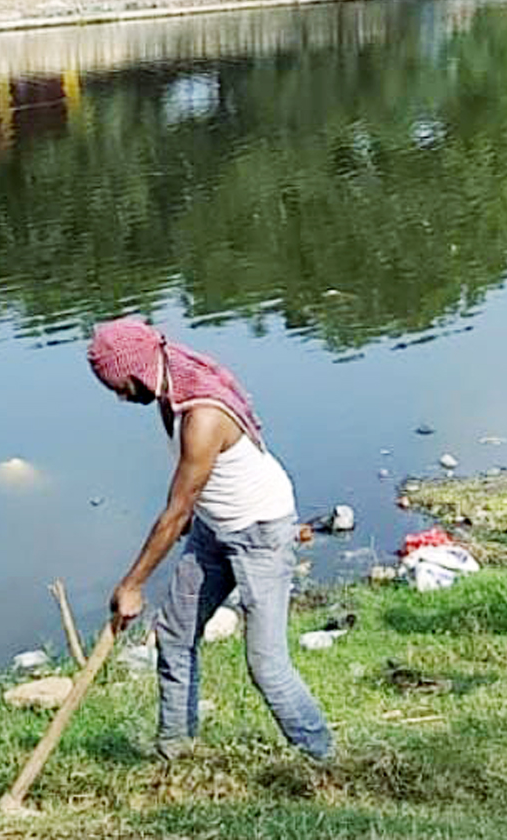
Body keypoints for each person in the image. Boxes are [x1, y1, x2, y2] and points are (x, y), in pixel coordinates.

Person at [88, 317, 333, 761]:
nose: (121, 397)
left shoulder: (202, 415)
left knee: (267, 667)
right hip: (214, 525)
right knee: (175, 636)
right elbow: (188, 501)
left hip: (261, 531)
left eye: (119, 386)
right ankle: (176, 753)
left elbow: (177, 508)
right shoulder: (170, 387)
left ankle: (323, 757)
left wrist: (133, 584)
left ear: (137, 369)